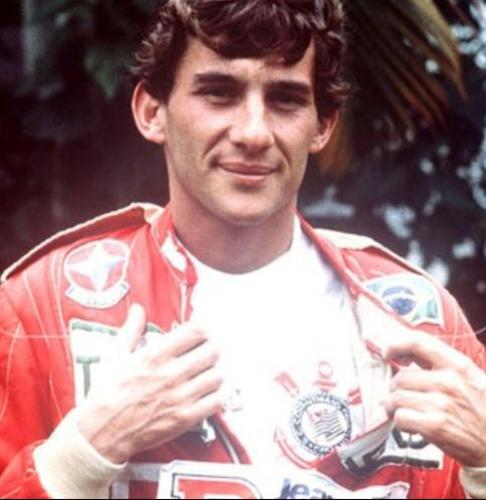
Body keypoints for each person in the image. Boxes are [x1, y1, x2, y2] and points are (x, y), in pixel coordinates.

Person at [1, 0, 485, 498]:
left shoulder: (422, 324)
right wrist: (85, 451)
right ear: (152, 112)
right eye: (219, 93)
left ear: (322, 125)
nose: (254, 133)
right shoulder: (43, 305)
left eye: (285, 99)